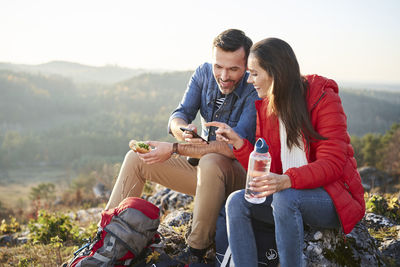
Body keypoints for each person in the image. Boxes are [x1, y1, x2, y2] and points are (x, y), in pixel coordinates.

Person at [206, 38, 365, 267]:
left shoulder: (323, 98)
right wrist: (239, 144)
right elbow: (268, 165)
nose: (249, 80)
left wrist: (288, 180)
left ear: (274, 73)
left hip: (332, 199)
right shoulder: (267, 108)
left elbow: (333, 164)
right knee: (236, 202)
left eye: (254, 73)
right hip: (291, 197)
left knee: (284, 197)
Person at [105, 29, 259, 264]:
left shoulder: (254, 88)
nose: (224, 75)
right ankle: (106, 236)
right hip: (204, 176)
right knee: (136, 158)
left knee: (212, 159)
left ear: (247, 66)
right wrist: (183, 131)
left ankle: (195, 251)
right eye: (219, 66)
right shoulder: (203, 73)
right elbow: (178, 115)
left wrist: (175, 148)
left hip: (239, 179)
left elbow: (233, 148)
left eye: (234, 69)